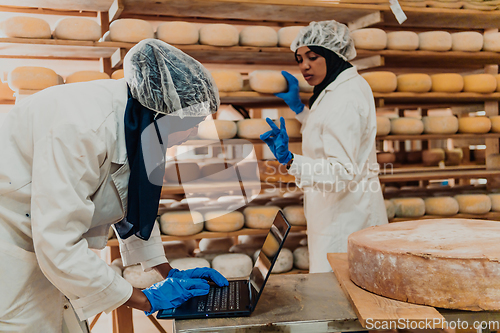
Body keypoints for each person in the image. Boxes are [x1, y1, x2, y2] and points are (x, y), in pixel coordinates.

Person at [0, 39, 228, 332]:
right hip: (11, 248)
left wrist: (167, 272)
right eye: (190, 123)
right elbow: (57, 242)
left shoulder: (136, 120)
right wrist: (146, 299)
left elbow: (131, 203)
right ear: (162, 113)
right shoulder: (82, 128)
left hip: (41, 243)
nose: (192, 133)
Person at [260, 20, 388, 273]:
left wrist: (290, 161)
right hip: (334, 210)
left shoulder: (345, 97)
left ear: (333, 54)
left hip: (346, 216)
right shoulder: (336, 90)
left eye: (313, 56)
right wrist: (300, 111)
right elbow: (329, 131)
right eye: (299, 59)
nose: (304, 65)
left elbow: (340, 171)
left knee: (340, 291)